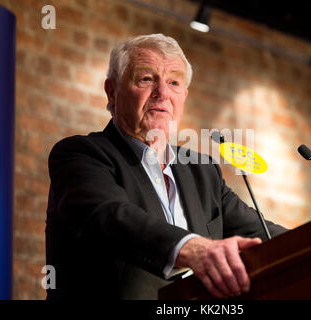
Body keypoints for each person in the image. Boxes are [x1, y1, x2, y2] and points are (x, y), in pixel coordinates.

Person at [46, 34, 287, 300]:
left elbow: (261, 233)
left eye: (174, 82)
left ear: (183, 96)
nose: (162, 93)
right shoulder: (80, 155)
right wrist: (192, 248)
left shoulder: (202, 171)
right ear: (112, 92)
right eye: (146, 79)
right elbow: (111, 217)